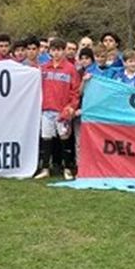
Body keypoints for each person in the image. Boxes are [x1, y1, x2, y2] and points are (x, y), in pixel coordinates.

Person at [35, 38, 80, 180]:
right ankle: (45, 168)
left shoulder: (70, 69)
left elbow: (76, 91)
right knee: (46, 139)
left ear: (64, 51)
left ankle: (67, 168)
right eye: (53, 50)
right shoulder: (43, 68)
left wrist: (71, 107)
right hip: (46, 109)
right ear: (50, 51)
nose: (56, 53)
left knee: (65, 139)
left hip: (63, 111)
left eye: (59, 50)